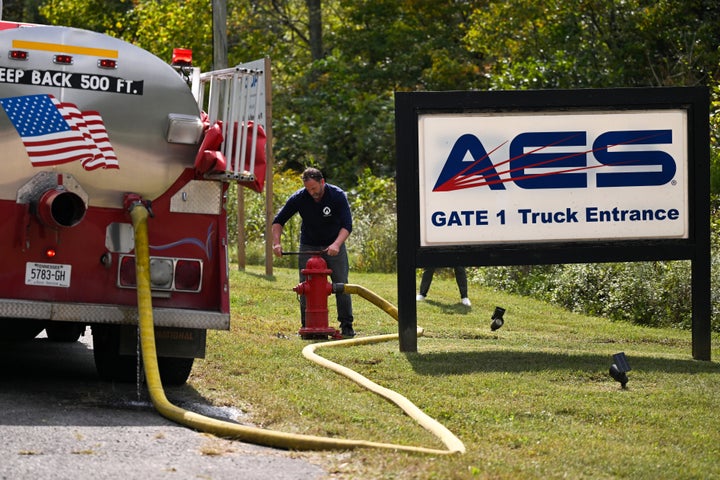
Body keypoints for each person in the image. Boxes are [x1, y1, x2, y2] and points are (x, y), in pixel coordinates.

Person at [271, 167, 355, 337]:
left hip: (333, 246)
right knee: (306, 287)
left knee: (341, 285)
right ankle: (307, 326)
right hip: (308, 246)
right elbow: (278, 221)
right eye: (308, 189)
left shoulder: (337, 196)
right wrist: (276, 244)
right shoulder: (300, 197)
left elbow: (347, 225)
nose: (311, 193)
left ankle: (347, 325)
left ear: (322, 182)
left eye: (314, 188)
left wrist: (337, 245)